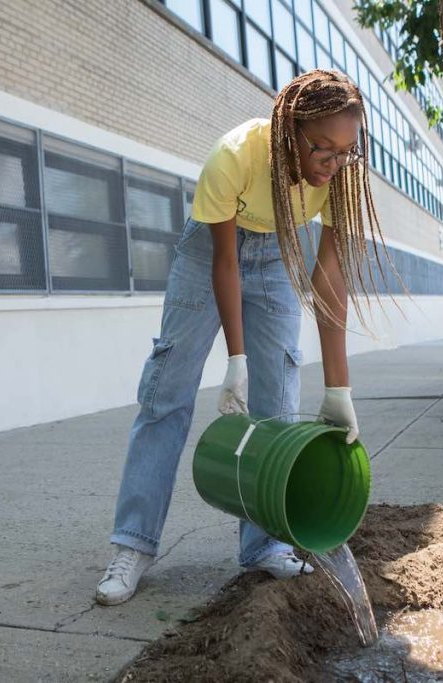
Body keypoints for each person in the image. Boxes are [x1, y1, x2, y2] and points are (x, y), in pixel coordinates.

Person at [96, 69, 389, 606]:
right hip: (210, 253)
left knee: (277, 401)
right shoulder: (235, 155)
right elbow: (225, 262)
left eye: (345, 151)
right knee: (167, 395)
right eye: (321, 148)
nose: (332, 163)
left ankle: (264, 544)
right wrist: (235, 356)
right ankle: (133, 544)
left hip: (277, 254)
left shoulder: (340, 176)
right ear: (288, 132)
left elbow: (330, 278)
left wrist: (339, 389)